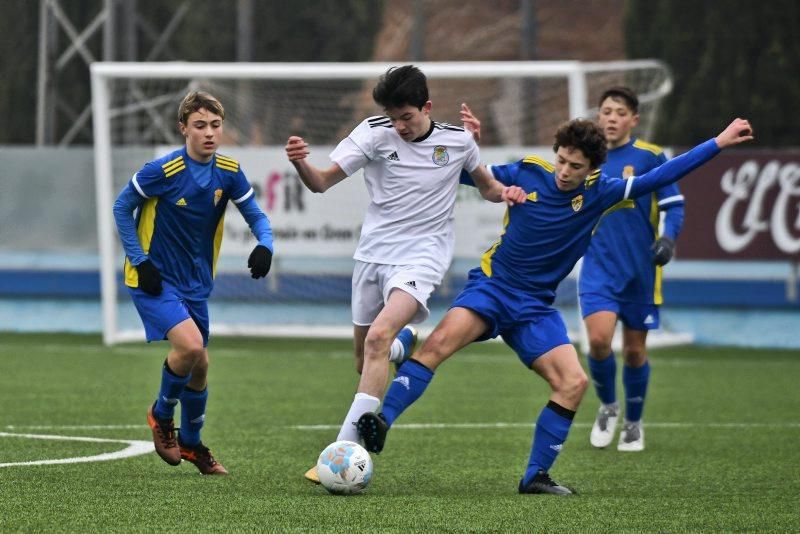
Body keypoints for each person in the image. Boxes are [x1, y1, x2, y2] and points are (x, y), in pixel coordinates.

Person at [356, 117, 753, 495]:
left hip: (535, 308)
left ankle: (535, 476)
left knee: (573, 384)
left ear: (593, 168)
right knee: (438, 347)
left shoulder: (603, 193)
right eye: (561, 159)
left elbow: (662, 176)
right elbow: (461, 174)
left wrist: (719, 142)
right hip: (494, 287)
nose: (564, 170)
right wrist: (466, 148)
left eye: (575, 166)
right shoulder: (528, 171)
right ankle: (382, 422)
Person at [284, 65, 526, 483]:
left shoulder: (457, 140)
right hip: (373, 256)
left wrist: (504, 193)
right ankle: (403, 346)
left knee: (378, 337)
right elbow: (322, 183)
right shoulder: (373, 133)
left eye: (407, 117)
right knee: (365, 357)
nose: (399, 126)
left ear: (427, 107)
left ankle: (342, 452)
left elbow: (485, 185)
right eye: (393, 118)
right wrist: (301, 164)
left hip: (422, 257)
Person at [112, 90, 274, 475]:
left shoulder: (229, 172)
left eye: (215, 125)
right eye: (199, 125)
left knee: (200, 363)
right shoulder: (163, 171)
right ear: (183, 128)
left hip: (196, 284)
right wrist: (140, 260)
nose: (209, 133)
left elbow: (257, 215)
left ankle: (192, 442)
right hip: (152, 279)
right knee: (190, 345)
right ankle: (161, 415)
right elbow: (122, 207)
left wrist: (265, 244)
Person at [580, 87, 685, 452]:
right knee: (597, 341)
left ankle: (634, 422)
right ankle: (608, 405)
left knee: (635, 353)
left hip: (642, 271)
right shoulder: (586, 159)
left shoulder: (651, 157)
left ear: (633, 119)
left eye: (619, 112)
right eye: (605, 110)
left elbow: (674, 205)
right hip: (598, 267)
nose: (611, 118)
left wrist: (668, 239)